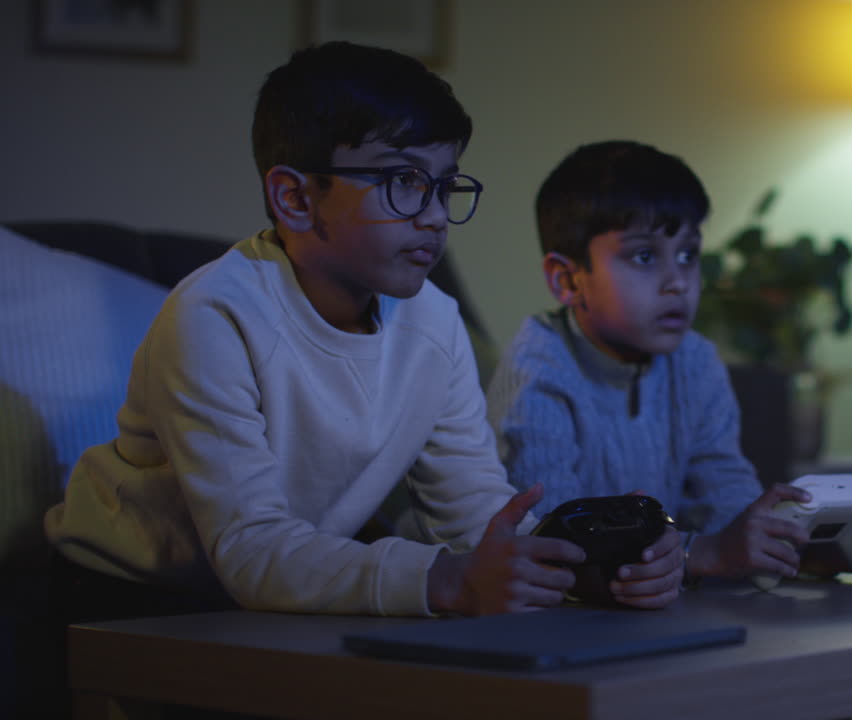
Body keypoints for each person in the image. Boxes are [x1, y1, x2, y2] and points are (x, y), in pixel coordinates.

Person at [43, 42, 680, 620]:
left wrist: (585, 570)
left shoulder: (433, 320)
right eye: (402, 182)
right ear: (295, 198)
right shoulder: (214, 316)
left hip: (281, 582)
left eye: (444, 186)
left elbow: (471, 511)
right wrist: (449, 582)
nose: (434, 217)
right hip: (134, 593)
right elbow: (250, 546)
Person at [487, 140, 852, 586]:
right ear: (566, 280)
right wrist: (700, 552)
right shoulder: (539, 372)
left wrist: (806, 552)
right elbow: (553, 545)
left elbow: (726, 504)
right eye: (644, 256)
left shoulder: (695, 361)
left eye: (688, 255)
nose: (677, 282)